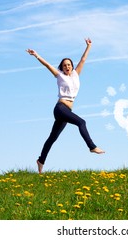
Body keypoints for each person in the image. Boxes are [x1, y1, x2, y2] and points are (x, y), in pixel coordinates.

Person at [26, 38, 105, 174]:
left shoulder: (75, 74)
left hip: (67, 110)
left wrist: (89, 46)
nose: (67, 67)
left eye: (69, 65)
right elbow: (47, 65)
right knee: (82, 122)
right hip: (60, 109)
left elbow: (83, 59)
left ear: (72, 66)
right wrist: (36, 55)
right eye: (64, 65)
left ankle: (40, 161)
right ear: (61, 68)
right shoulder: (59, 75)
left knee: (52, 138)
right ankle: (92, 146)